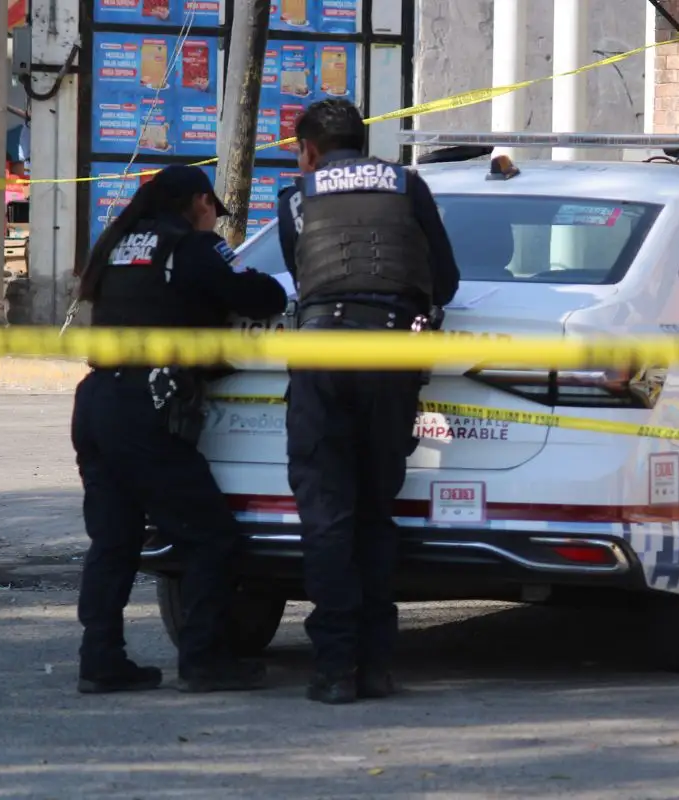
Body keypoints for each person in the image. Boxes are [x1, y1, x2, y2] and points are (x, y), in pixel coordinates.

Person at [71, 165, 288, 695]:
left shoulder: (118, 242)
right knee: (211, 536)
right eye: (214, 208)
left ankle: (100, 659)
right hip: (145, 406)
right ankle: (204, 657)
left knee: (113, 541)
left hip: (97, 401)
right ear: (198, 201)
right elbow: (259, 298)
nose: (215, 218)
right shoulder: (188, 247)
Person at [276, 99, 460, 704]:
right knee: (376, 512)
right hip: (390, 355)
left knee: (327, 517)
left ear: (310, 150)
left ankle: (333, 670)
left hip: (323, 353)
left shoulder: (298, 195)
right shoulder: (409, 185)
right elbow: (447, 279)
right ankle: (376, 667)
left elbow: (301, 275)